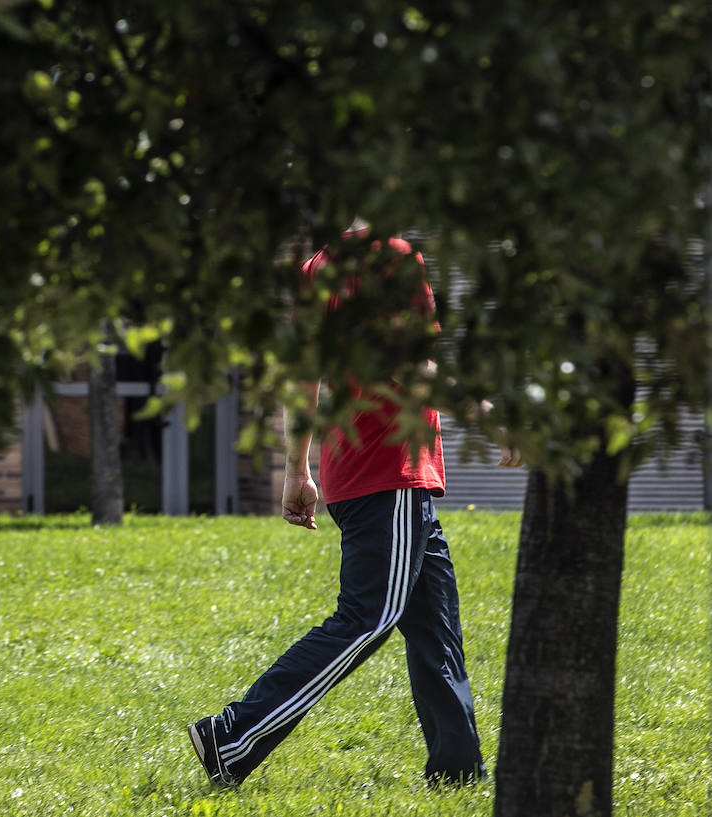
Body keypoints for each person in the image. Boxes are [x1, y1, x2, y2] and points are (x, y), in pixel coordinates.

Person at [187, 225, 522, 788]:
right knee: (368, 619)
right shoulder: (390, 259)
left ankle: (457, 770)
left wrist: (298, 468)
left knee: (434, 624)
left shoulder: (322, 264)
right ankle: (231, 736)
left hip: (365, 473)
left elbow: (303, 375)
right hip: (387, 471)